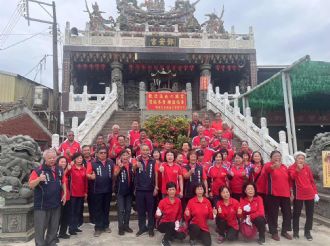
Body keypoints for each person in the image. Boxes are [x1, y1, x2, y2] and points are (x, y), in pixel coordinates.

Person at [29, 149, 66, 246]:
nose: (52, 159)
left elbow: (63, 182)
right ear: (45, 158)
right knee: (40, 228)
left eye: (54, 157)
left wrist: (65, 193)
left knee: (54, 226)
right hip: (42, 205)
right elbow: (31, 185)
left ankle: (51, 242)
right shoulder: (38, 170)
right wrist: (39, 179)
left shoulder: (59, 169)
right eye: (50, 158)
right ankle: (40, 244)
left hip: (56, 203)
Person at [289, 151, 318, 241]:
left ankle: (307, 232)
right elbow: (291, 178)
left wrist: (315, 192)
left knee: (310, 214)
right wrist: (297, 169)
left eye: (302, 159)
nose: (301, 160)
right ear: (295, 159)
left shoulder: (307, 168)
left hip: (310, 193)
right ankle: (296, 232)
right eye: (299, 158)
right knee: (296, 214)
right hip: (298, 194)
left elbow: (312, 181)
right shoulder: (291, 167)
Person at [264, 150, 292, 241]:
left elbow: (289, 181)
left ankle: (284, 231)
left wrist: (291, 192)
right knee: (273, 214)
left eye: (279, 155)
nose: (277, 157)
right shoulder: (268, 165)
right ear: (271, 158)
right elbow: (267, 170)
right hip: (273, 194)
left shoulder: (284, 167)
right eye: (275, 156)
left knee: (287, 213)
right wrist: (274, 166)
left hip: (285, 194)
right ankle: (274, 232)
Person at [86, 147, 114, 237]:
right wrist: (91, 177)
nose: (103, 154)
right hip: (97, 190)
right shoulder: (92, 163)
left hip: (108, 190)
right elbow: (87, 174)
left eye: (105, 152)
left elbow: (114, 173)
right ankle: (98, 228)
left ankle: (106, 226)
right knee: (98, 210)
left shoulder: (111, 162)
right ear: (97, 154)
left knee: (106, 209)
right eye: (101, 152)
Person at [134, 144, 159, 237]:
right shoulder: (136, 160)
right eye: (143, 150)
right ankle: (142, 228)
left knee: (151, 210)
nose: (145, 152)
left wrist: (156, 187)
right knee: (141, 210)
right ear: (140, 151)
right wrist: (136, 166)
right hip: (139, 189)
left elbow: (156, 174)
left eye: (147, 150)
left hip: (150, 189)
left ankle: (151, 228)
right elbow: (133, 170)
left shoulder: (153, 161)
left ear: (149, 151)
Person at [156, 182, 186, 246]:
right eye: (170, 190)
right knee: (171, 224)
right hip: (162, 224)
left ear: (175, 190)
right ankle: (165, 240)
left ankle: (170, 235)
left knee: (182, 236)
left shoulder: (178, 201)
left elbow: (180, 213)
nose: (172, 191)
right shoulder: (162, 202)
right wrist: (157, 214)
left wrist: (177, 221)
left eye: (173, 189)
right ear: (167, 191)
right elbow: (157, 216)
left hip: (174, 224)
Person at [114, 150, 135, 235]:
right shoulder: (117, 166)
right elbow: (115, 174)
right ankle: (120, 227)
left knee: (128, 209)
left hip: (129, 191)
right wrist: (120, 166)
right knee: (121, 210)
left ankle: (126, 225)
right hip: (120, 192)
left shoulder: (131, 166)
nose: (125, 157)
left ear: (129, 157)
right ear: (120, 157)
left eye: (127, 155)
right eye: (123, 155)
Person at [67, 153, 87, 235]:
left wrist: (86, 192)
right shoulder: (71, 168)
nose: (80, 160)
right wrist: (68, 169)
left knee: (78, 211)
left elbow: (86, 182)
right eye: (78, 158)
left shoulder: (84, 168)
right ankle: (71, 228)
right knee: (72, 211)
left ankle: (76, 227)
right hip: (73, 194)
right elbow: (65, 176)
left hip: (81, 194)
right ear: (74, 159)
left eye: (81, 158)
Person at [57, 156, 71, 240]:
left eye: (65, 162)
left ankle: (63, 233)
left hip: (67, 197)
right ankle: (54, 234)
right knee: (58, 217)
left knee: (65, 216)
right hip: (59, 197)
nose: (63, 163)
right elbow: (61, 178)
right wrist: (67, 170)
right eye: (61, 161)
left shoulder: (65, 172)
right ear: (58, 162)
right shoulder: (56, 171)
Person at [82, 145, 95, 224]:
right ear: (82, 151)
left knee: (92, 202)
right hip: (81, 184)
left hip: (92, 184)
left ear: (90, 151)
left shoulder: (94, 160)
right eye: (84, 150)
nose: (86, 152)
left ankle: (92, 219)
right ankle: (78, 221)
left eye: (87, 150)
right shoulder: (79, 160)